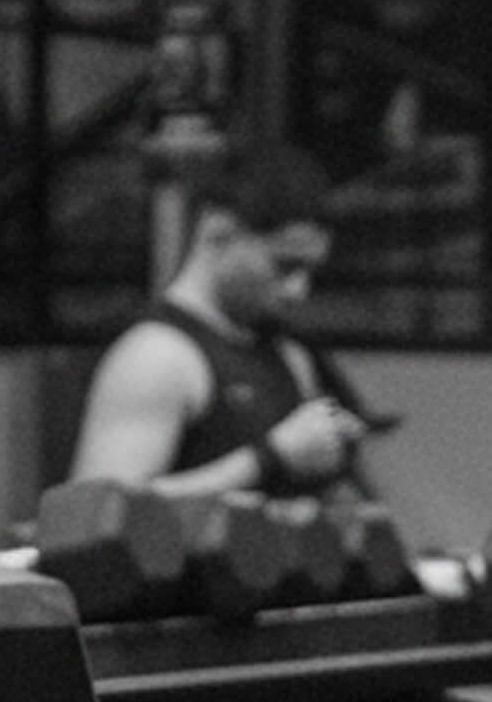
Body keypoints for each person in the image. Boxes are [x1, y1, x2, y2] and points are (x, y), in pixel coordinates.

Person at [68, 151, 379, 500]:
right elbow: (97, 512)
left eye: (309, 271)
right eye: (284, 266)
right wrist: (265, 459)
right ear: (219, 231)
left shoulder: (289, 353)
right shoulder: (157, 355)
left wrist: (330, 458)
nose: (298, 290)